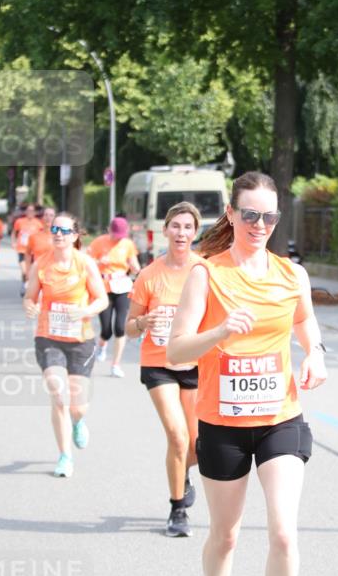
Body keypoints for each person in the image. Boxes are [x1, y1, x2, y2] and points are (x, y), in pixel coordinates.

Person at [167, 171, 327, 576]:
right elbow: (176, 350)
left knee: (283, 532)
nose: (260, 224)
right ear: (232, 214)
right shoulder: (206, 274)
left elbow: (304, 322)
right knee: (226, 535)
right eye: (251, 214)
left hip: (280, 418)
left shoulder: (291, 274)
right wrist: (219, 331)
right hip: (222, 423)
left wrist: (315, 353)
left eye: (269, 216)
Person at [127, 202, 203, 538]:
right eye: (176, 226)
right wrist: (143, 322)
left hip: (196, 363)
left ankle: (182, 474)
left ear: (195, 233)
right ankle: (177, 509)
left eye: (188, 227)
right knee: (177, 435)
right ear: (165, 230)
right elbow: (128, 327)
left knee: (196, 445)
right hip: (159, 363)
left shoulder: (205, 271)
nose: (181, 233)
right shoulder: (149, 275)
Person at [23, 212, 108, 478]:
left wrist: (85, 311)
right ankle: (65, 455)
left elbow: (102, 299)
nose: (58, 234)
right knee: (57, 393)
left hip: (80, 340)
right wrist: (30, 306)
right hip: (48, 337)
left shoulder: (85, 263)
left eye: (64, 230)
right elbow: (29, 297)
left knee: (77, 406)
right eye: (54, 230)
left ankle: (78, 421)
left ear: (74, 235)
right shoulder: (41, 264)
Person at [87, 217, 140, 377]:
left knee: (120, 327)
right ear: (109, 230)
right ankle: (102, 345)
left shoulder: (128, 244)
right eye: (116, 235)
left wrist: (135, 268)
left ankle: (115, 365)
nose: (118, 239)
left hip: (122, 286)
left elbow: (135, 265)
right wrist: (99, 261)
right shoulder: (98, 242)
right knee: (107, 330)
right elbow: (86, 263)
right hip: (103, 288)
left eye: (121, 236)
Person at [12, 203, 43, 296]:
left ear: (35, 212)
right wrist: (13, 242)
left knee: (32, 271)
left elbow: (41, 236)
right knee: (25, 271)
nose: (30, 212)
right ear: (25, 211)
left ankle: (30, 286)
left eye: (32, 211)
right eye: (28, 210)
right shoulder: (19, 221)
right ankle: (24, 285)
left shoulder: (38, 223)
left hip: (33, 251)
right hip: (22, 250)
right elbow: (14, 233)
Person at [24, 205, 55, 278]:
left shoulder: (59, 237)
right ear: (42, 218)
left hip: (54, 274)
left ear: (55, 219)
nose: (48, 218)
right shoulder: (33, 236)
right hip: (38, 273)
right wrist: (28, 271)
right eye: (46, 215)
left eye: (51, 215)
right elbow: (28, 254)